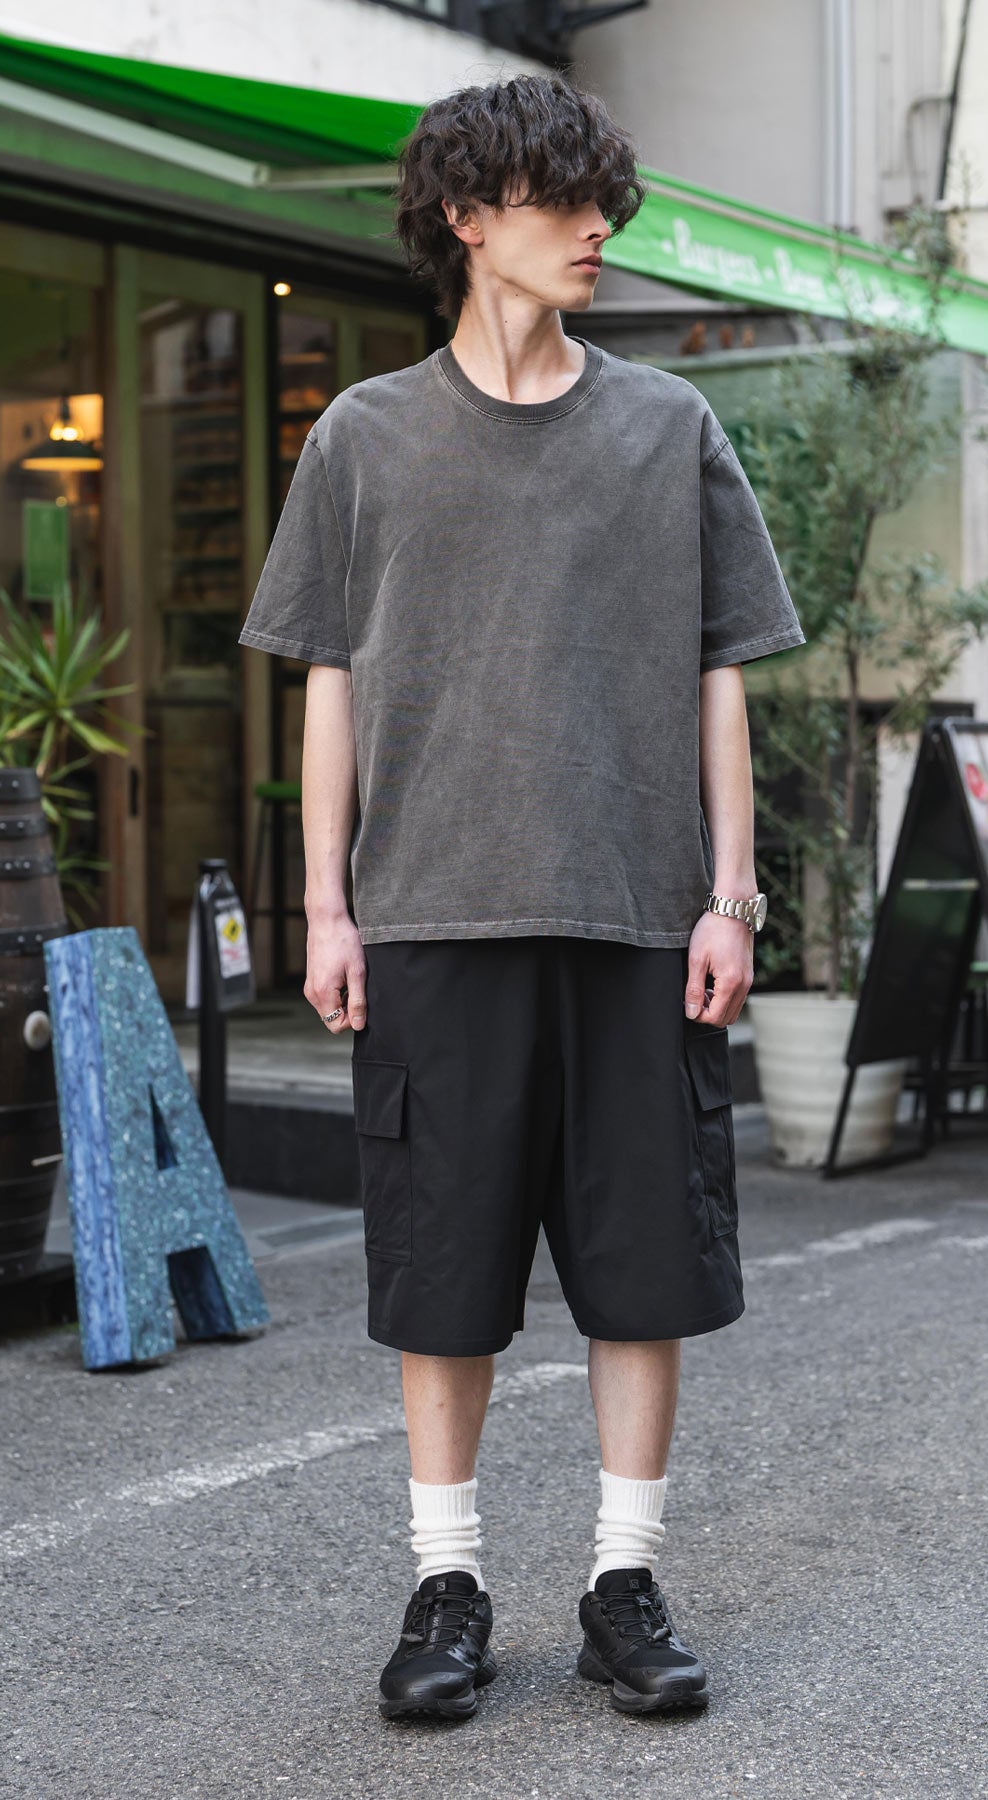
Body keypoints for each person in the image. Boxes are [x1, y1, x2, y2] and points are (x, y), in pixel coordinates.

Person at [239, 71, 803, 1723]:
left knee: (645, 1265)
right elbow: (329, 682)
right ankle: (448, 1584)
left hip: (639, 918)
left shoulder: (667, 428)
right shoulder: (362, 437)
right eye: (564, 200)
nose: (597, 228)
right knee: (444, 1273)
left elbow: (718, 672)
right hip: (432, 914)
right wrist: (326, 910)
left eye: (604, 200)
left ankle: (626, 1578)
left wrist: (732, 893)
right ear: (469, 218)